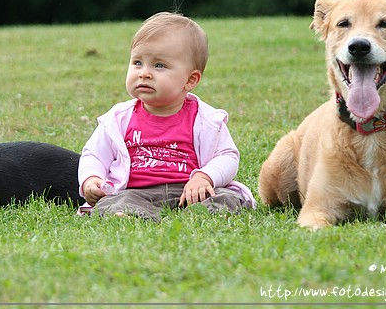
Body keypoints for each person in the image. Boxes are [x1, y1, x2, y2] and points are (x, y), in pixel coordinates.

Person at [78, 12, 256, 221]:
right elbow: (94, 155)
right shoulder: (117, 119)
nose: (144, 73)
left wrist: (204, 176)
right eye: (137, 63)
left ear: (190, 80)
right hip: (137, 192)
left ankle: (200, 215)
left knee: (227, 197)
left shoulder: (206, 119)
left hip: (190, 192)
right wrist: (91, 179)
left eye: (159, 65)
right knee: (113, 202)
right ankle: (130, 215)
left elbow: (228, 156)